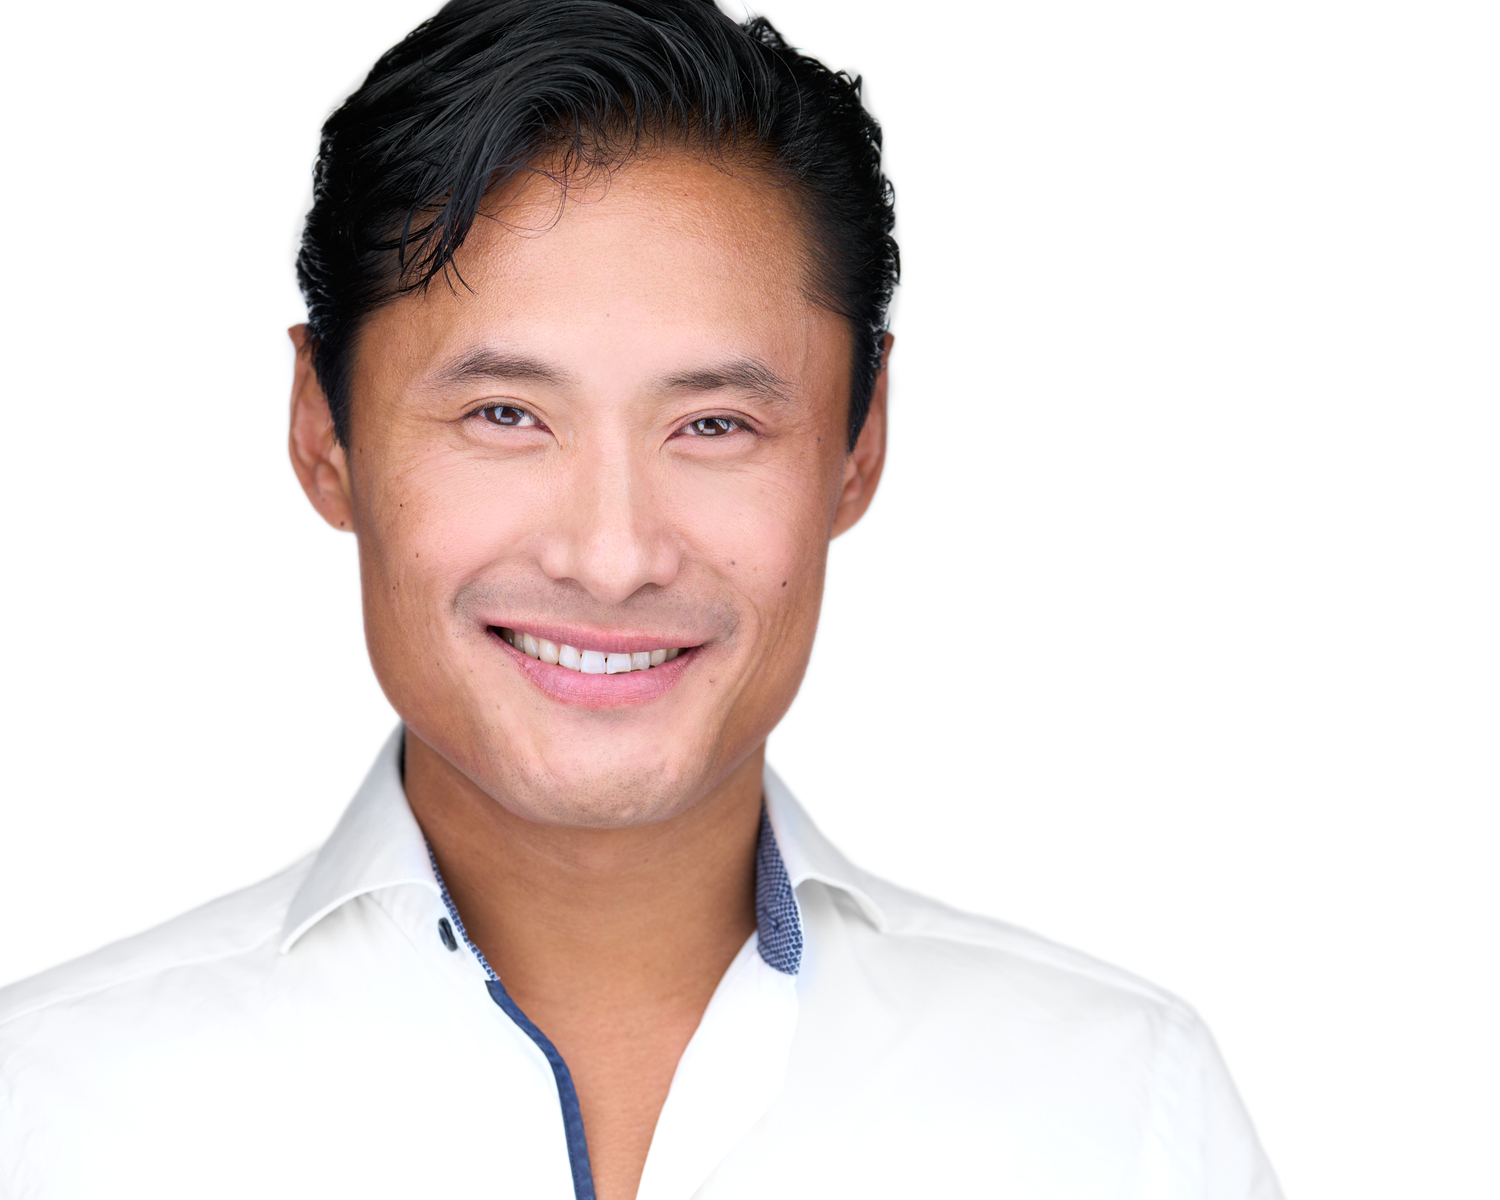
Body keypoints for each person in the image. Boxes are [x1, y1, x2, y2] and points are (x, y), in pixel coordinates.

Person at [0, 1, 1282, 1197]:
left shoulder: (1119, 1113)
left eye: (715, 424)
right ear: (323, 434)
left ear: (860, 443)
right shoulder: (48, 1114)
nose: (613, 558)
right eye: (505, 415)